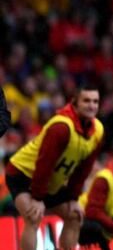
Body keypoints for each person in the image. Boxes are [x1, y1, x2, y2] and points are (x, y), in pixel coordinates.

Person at [5, 85, 105, 250]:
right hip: (23, 174)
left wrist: (73, 197)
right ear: (75, 103)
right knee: (33, 217)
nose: (92, 105)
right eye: (86, 101)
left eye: (95, 101)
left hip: (49, 180)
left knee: (75, 216)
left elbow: (84, 168)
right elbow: (44, 164)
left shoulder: (98, 130)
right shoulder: (61, 127)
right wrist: (37, 198)